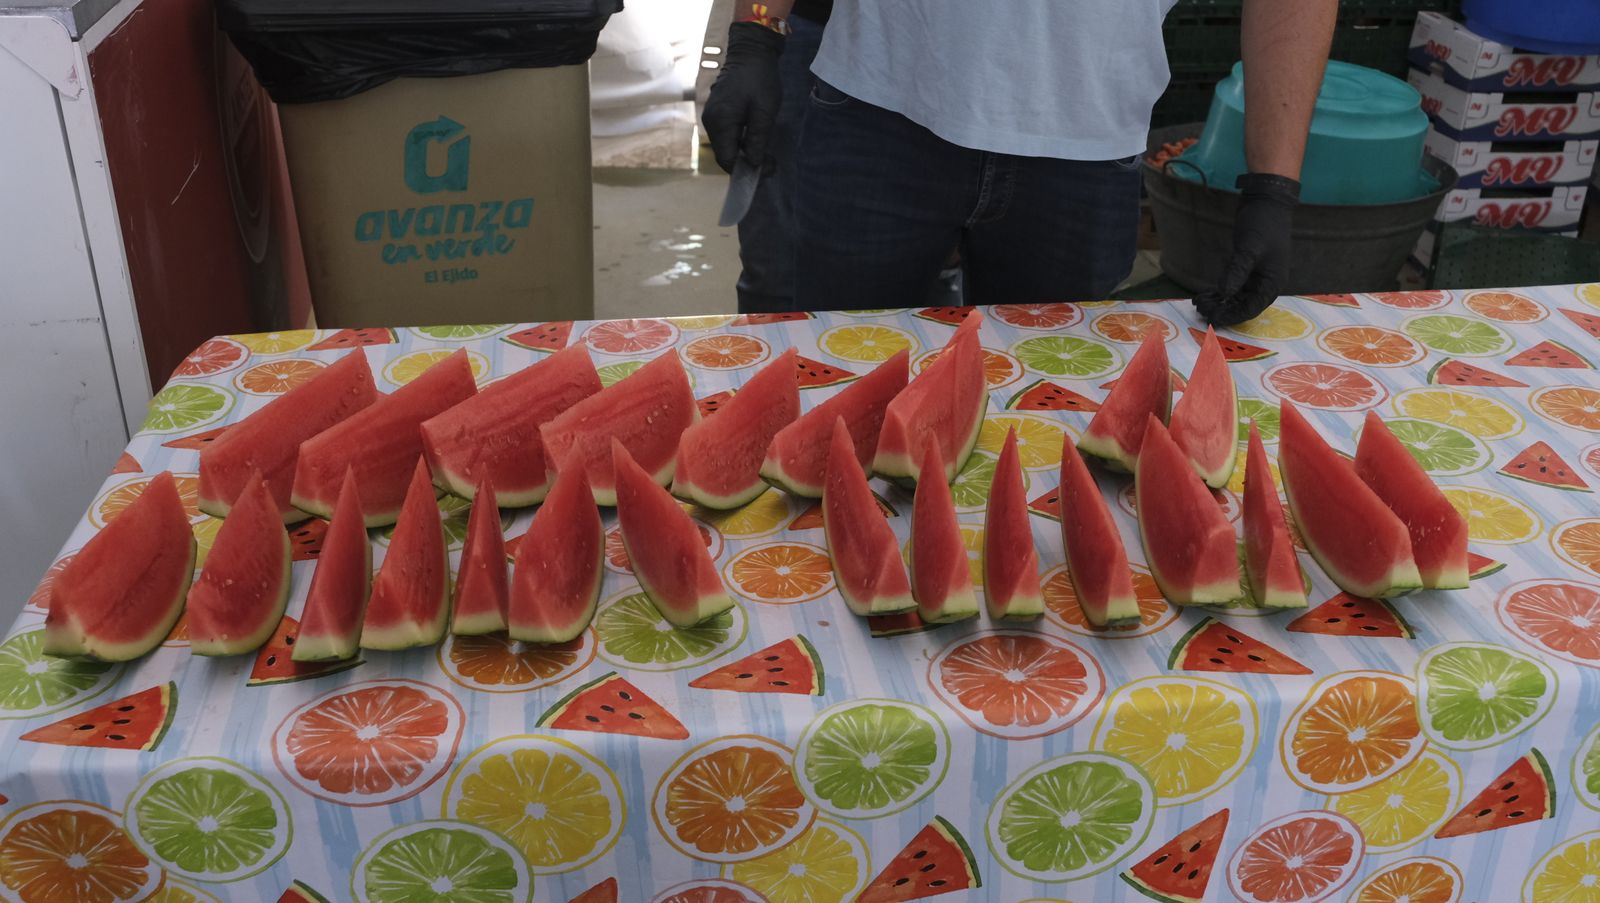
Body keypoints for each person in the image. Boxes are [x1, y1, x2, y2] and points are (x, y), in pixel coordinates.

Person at [703, 0, 1337, 325]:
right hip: (880, 106)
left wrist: (1273, 187)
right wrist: (757, 30)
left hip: (1084, 150)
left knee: (1045, 418)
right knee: (844, 379)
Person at [714, 0, 832, 314]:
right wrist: (753, 42)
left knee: (929, 263)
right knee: (775, 273)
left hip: (938, 43)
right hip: (798, 22)